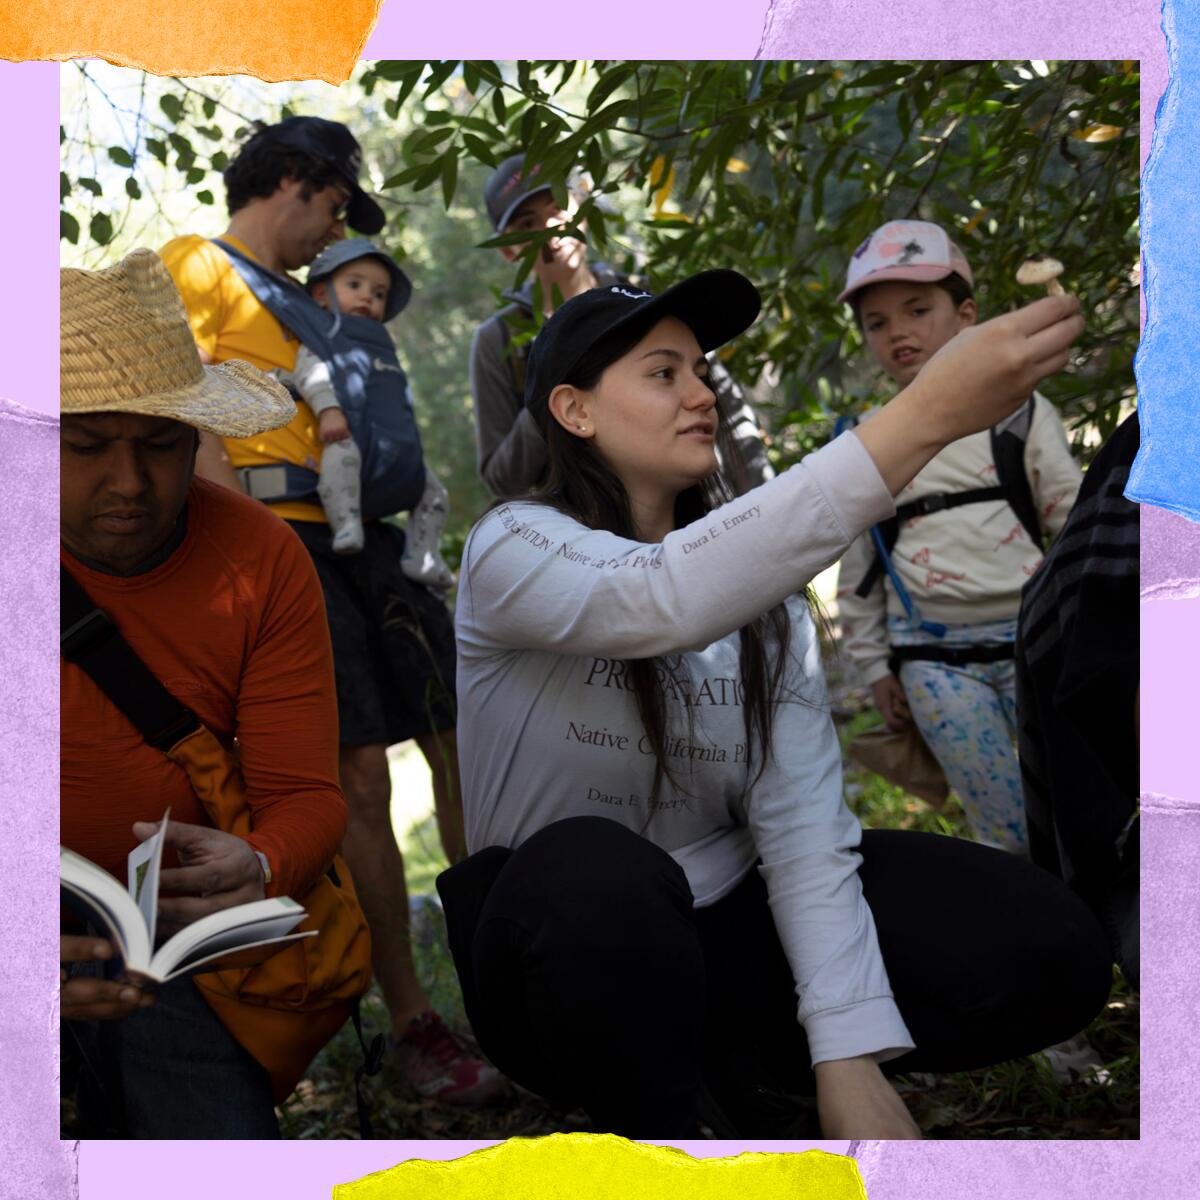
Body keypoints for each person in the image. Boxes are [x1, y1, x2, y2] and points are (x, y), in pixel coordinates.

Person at [438, 268, 1113, 1139]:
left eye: (702, 371)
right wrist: (924, 417)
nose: (702, 395)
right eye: (663, 372)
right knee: (595, 873)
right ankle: (677, 1133)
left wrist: (849, 1061)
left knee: (1046, 943)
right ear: (575, 411)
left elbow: (799, 829)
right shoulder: (512, 546)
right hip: (555, 963)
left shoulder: (764, 599)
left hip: (724, 938)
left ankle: (756, 1064)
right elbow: (663, 595)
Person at [159, 116, 501, 1105]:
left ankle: (506, 978)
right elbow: (188, 420)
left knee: (463, 734)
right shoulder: (197, 267)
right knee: (353, 774)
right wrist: (234, 573)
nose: (339, 233)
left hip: (374, 543)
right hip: (281, 543)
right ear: (299, 180)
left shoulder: (325, 302)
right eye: (338, 206)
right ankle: (415, 1026)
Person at [60, 248, 344, 1138]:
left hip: (178, 939)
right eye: (85, 446)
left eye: (159, 446)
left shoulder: (261, 558)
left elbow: (307, 799)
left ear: (198, 441)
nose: (130, 485)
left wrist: (255, 864)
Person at [834, 220, 1083, 854]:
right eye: (878, 322)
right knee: (1003, 825)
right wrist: (874, 666)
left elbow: (1072, 523)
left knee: (1077, 805)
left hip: (1039, 644)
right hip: (936, 661)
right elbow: (862, 566)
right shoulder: (866, 437)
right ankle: (1037, 939)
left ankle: (1110, 936)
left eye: (918, 310)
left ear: (966, 314)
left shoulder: (1022, 411)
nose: (899, 333)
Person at [469, 152, 773, 498]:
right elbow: (502, 479)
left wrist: (766, 508)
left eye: (557, 207)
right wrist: (550, 379)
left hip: (699, 516)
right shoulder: (499, 340)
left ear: (582, 207)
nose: (550, 227)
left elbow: (727, 413)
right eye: (526, 225)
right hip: (590, 536)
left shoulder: (647, 300)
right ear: (508, 251)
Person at [290, 236, 454, 585]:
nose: (368, 296)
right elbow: (310, 374)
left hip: (395, 447)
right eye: (354, 285)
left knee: (434, 492)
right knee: (339, 460)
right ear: (321, 295)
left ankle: (422, 553)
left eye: (379, 294)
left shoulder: (382, 343)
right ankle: (345, 522)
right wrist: (328, 410)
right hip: (351, 435)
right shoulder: (325, 336)